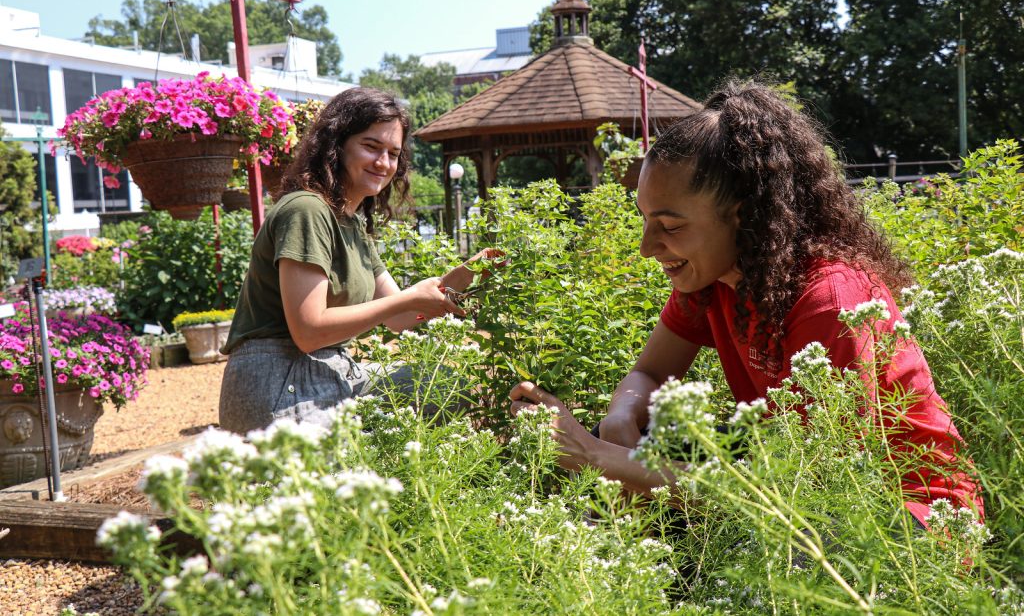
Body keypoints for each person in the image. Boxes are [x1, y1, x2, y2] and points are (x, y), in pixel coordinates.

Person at [510, 80, 982, 528]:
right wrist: (620, 416)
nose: (646, 247)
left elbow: (817, 494)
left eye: (670, 227)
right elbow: (649, 375)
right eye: (645, 220)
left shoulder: (828, 300)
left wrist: (598, 457)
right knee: (656, 442)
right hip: (809, 501)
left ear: (742, 215)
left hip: (909, 525)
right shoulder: (711, 281)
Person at [220, 87, 494, 434]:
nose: (384, 163)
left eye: (393, 153)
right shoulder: (306, 210)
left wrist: (471, 273)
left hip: (321, 374)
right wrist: (411, 296)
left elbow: (404, 317)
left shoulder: (350, 226)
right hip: (277, 385)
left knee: (444, 386)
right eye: (371, 146)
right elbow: (308, 330)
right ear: (336, 145)